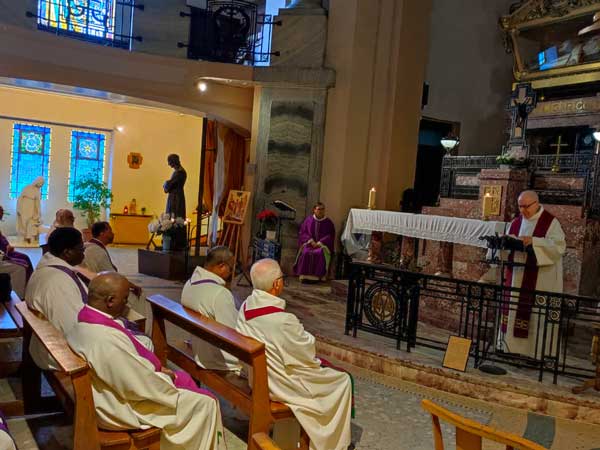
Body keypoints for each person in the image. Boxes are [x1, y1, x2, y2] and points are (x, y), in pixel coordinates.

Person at [66, 273, 226, 450]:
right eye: (125, 298)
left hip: (107, 395)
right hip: (119, 409)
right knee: (206, 404)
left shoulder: (84, 319)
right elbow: (138, 385)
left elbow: (127, 371)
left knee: (184, 384)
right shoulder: (105, 339)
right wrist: (168, 378)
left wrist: (155, 370)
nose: (127, 303)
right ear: (110, 301)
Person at [236, 259, 353, 450]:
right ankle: (331, 443)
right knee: (342, 381)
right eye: (282, 278)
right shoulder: (283, 321)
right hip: (278, 386)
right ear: (277, 284)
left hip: (257, 377)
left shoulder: (246, 306)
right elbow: (307, 352)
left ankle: (290, 441)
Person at [499, 190, 566, 359]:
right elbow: (507, 247)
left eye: (526, 206)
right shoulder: (516, 222)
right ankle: (509, 348)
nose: (522, 210)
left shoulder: (550, 222)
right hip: (516, 275)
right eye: (520, 206)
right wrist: (505, 241)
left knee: (536, 313)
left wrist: (533, 241)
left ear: (536, 203)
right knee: (514, 307)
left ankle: (535, 354)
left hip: (540, 277)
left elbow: (558, 247)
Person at [25, 227, 88, 369]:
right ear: (67, 252)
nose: (84, 254)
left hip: (45, 341)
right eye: (81, 249)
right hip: (58, 352)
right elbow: (71, 326)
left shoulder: (49, 268)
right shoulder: (58, 282)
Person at [181, 246, 241, 373]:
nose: (232, 273)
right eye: (231, 268)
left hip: (198, 346)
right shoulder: (219, 294)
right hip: (215, 359)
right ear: (222, 266)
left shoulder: (189, 283)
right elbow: (233, 334)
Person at [293, 202, 335, 283]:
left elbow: (330, 235)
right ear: (314, 210)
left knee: (320, 253)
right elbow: (303, 232)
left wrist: (320, 242)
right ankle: (304, 275)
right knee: (305, 252)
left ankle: (318, 276)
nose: (321, 211)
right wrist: (310, 240)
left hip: (321, 245)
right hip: (309, 244)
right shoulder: (308, 220)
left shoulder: (328, 222)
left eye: (322, 209)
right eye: (319, 209)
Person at [0, 205, 34, 280]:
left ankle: (31, 280)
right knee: (23, 264)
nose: (2, 215)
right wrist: (6, 251)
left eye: (2, 212)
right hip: (4, 254)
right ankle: (25, 282)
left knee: (26, 257)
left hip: (7, 250)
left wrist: (9, 245)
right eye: (1, 212)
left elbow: (2, 238)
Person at [16, 176, 44, 243]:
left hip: (31, 207)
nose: (41, 185)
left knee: (30, 221)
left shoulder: (38, 191)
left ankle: (29, 237)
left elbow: (37, 203)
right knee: (23, 221)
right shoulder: (27, 187)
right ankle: (24, 236)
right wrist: (18, 207)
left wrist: (38, 212)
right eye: (41, 183)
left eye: (42, 184)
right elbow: (20, 197)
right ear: (38, 181)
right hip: (24, 206)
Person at [163, 154, 187, 219]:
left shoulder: (180, 172)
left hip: (176, 199)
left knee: (174, 217)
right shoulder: (178, 171)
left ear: (174, 161)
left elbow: (168, 185)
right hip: (175, 197)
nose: (168, 164)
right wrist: (167, 183)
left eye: (169, 161)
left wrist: (165, 183)